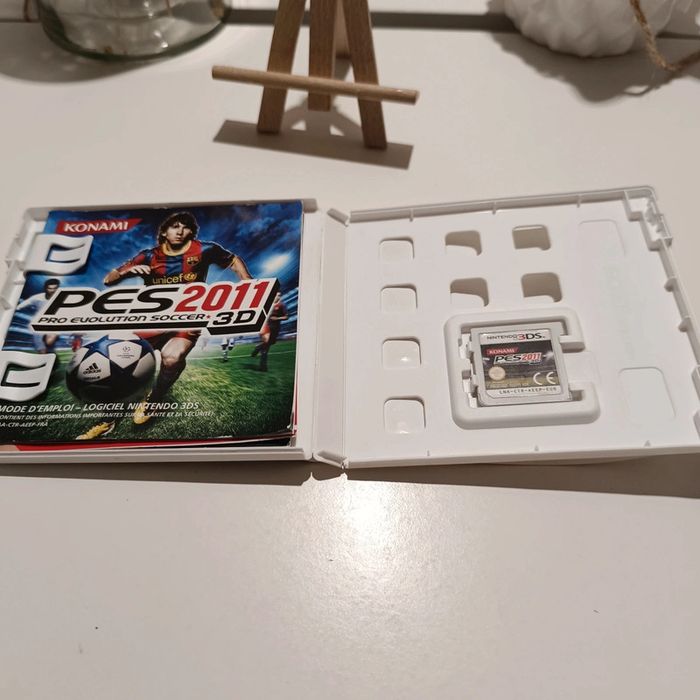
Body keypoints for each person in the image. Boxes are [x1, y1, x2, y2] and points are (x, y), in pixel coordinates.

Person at [77, 212, 251, 440]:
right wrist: (127, 271)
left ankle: (154, 399)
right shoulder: (148, 255)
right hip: (152, 319)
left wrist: (248, 283)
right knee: (120, 362)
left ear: (191, 232)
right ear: (164, 231)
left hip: (187, 317)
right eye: (174, 226)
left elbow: (233, 260)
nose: (180, 231)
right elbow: (109, 279)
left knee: (172, 358)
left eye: (186, 227)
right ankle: (107, 419)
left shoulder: (205, 249)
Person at [16, 278, 61, 354]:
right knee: (41, 348)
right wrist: (16, 308)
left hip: (54, 322)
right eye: (50, 288)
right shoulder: (38, 298)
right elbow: (23, 304)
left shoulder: (62, 297)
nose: (52, 290)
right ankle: (44, 357)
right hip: (39, 323)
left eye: (55, 288)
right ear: (45, 288)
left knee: (49, 342)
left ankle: (50, 348)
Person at [251, 292, 288, 372]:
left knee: (271, 343)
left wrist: (277, 318)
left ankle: (258, 347)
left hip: (275, 328)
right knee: (266, 347)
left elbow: (286, 317)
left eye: (279, 295)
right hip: (265, 327)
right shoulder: (267, 305)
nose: (277, 297)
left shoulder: (282, 305)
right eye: (275, 295)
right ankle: (263, 367)